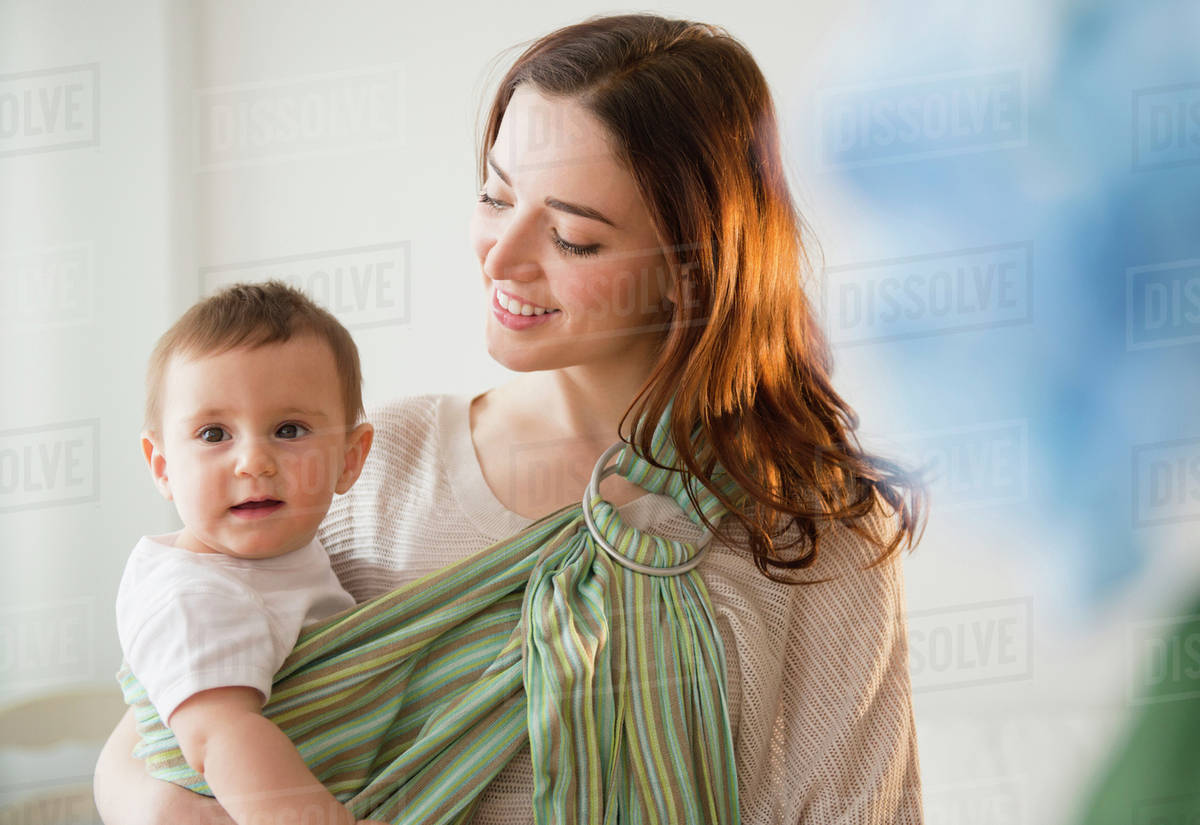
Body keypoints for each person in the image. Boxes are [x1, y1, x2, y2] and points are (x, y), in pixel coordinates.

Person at [96, 13, 927, 824]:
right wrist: (152, 804)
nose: (500, 255)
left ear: (692, 269)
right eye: (495, 197)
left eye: (571, 237)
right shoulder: (367, 465)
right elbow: (166, 727)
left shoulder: (809, 531)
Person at [112, 281, 382, 825]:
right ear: (163, 467)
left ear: (350, 459)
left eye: (289, 429)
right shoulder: (194, 597)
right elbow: (221, 740)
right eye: (214, 434)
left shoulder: (280, 562)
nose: (253, 462)